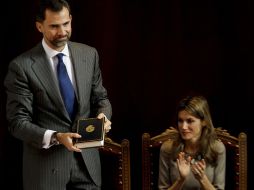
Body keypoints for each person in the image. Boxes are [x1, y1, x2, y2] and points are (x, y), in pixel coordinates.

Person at [4, 0, 112, 189]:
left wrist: (103, 116)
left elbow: (101, 98)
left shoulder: (89, 54)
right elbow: (17, 123)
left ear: (71, 19)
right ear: (39, 26)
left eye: (66, 24)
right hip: (45, 172)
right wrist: (56, 136)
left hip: (88, 166)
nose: (62, 32)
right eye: (54, 26)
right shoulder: (21, 67)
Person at [158, 95, 226, 190]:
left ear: (204, 122)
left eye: (190, 121)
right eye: (180, 121)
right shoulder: (168, 149)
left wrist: (202, 178)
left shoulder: (217, 148)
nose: (183, 127)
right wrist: (181, 179)